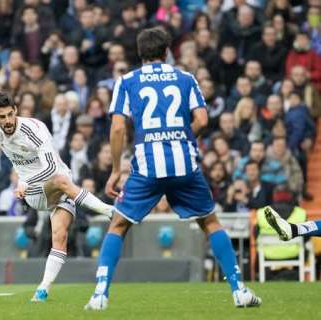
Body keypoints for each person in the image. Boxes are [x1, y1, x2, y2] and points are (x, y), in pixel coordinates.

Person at [84, 28, 261, 311]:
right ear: (166, 52)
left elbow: (118, 127)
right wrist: (182, 138)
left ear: (139, 53)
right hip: (184, 165)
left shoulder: (127, 81)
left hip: (147, 167)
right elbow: (202, 119)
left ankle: (100, 295)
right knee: (210, 223)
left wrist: (116, 170)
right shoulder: (185, 78)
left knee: (117, 225)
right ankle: (239, 290)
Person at [0, 92, 113, 303]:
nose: (8, 121)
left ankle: (42, 289)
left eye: (10, 114)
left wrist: (24, 183)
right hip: (35, 195)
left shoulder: (35, 130)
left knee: (60, 236)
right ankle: (110, 211)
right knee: (61, 181)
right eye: (2, 117)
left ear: (16, 111)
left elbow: (49, 168)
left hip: (53, 183)